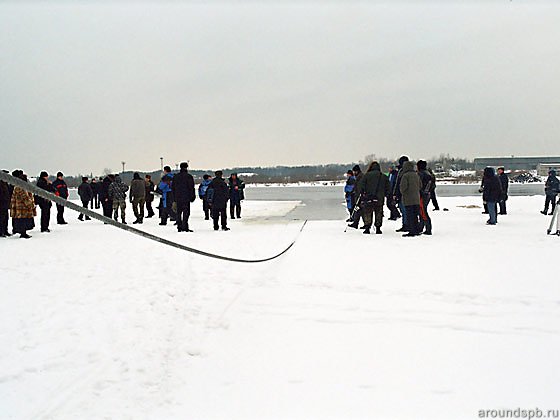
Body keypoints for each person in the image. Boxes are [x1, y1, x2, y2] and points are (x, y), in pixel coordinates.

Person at [355, 161, 391, 235]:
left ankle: (367, 227)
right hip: (379, 198)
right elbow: (388, 187)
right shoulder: (383, 176)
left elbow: (362, 187)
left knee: (368, 212)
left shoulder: (366, 176)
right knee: (379, 212)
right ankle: (378, 228)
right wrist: (385, 194)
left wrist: (362, 195)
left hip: (368, 197)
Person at [399, 160, 421, 237]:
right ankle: (416, 230)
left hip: (408, 199)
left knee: (409, 215)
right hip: (417, 199)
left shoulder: (405, 176)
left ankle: (411, 231)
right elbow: (420, 186)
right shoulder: (416, 175)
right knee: (415, 215)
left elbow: (403, 188)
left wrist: (402, 193)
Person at [10, 173, 36, 239]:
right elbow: (25, 198)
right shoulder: (20, 187)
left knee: (23, 221)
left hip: (21, 207)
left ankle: (23, 233)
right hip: (22, 207)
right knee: (23, 221)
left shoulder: (20, 186)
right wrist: (31, 205)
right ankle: (23, 233)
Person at [172, 162, 196, 232]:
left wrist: (174, 197)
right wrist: (192, 197)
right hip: (186, 197)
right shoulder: (189, 176)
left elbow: (173, 188)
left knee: (179, 212)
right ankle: (185, 226)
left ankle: (179, 226)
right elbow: (191, 187)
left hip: (178, 197)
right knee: (186, 212)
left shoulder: (176, 176)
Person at [394, 156, 410, 232]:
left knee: (404, 210)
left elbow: (398, 183)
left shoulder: (401, 172)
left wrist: (395, 193)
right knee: (406, 211)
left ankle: (406, 225)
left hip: (402, 194)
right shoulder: (412, 171)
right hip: (409, 194)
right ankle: (408, 224)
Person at [417, 160, 433, 235]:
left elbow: (419, 185)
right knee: (422, 211)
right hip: (427, 194)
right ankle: (422, 226)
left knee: (423, 212)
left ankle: (427, 228)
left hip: (422, 195)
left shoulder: (421, 174)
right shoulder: (429, 173)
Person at [347, 164, 365, 229]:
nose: (353, 173)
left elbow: (360, 187)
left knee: (361, 210)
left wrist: (359, 194)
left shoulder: (360, 177)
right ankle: (355, 223)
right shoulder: (358, 177)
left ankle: (365, 224)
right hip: (357, 196)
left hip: (360, 197)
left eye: (354, 171)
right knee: (357, 210)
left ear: (356, 171)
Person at [0, 170, 11, 237]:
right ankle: (1, 232)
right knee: (1, 218)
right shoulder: (1, 183)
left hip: (5, 204)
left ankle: (5, 230)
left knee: (6, 218)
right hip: (1, 204)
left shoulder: (6, 183)